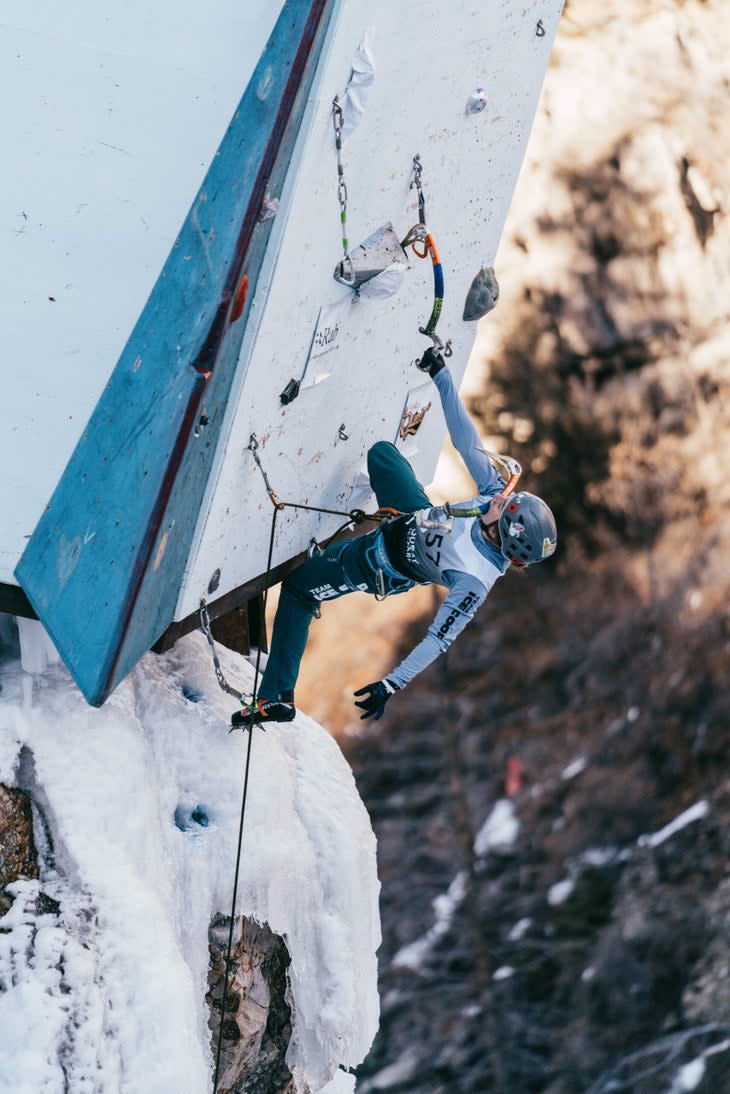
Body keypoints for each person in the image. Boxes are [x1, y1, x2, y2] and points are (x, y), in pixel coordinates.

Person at [232, 348, 556, 728]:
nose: (500, 497)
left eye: (505, 506)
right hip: (411, 517)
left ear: (501, 534)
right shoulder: (492, 495)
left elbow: (439, 639)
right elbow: (466, 441)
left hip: (377, 563)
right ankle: (368, 520)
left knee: (299, 591)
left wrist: (391, 684)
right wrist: (442, 376)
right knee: (383, 456)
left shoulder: (473, 580)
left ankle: (276, 698)